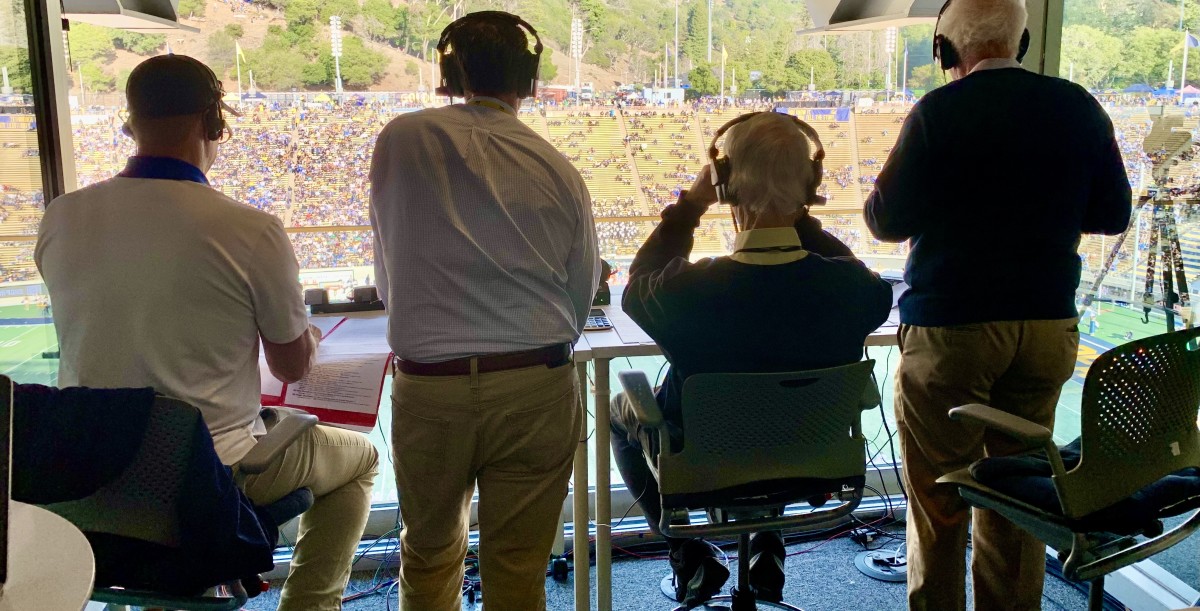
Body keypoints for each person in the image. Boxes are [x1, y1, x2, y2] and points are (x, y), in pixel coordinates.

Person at [36, 55, 379, 611]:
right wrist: (307, 339)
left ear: (132, 119)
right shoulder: (250, 229)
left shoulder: (61, 216)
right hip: (207, 474)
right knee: (360, 459)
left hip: (89, 472)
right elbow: (291, 367)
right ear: (211, 121)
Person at [862, 0, 1133, 608]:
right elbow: (1113, 214)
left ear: (945, 53)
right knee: (1018, 493)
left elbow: (886, 221)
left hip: (951, 330)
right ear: (1026, 41)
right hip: (1045, 326)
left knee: (939, 496)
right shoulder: (1079, 106)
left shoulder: (938, 111)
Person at [368, 12, 600, 611]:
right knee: (518, 567)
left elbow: (389, 275)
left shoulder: (401, 137)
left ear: (448, 71)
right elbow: (578, 298)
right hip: (535, 384)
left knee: (427, 551)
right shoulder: (560, 169)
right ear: (529, 80)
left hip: (431, 388)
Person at [614, 112, 893, 606]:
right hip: (813, 465)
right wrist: (796, 212)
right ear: (810, 186)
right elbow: (852, 267)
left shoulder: (684, 291)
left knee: (622, 415)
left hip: (704, 469)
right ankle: (768, 543)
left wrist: (690, 206)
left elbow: (638, 282)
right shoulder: (854, 290)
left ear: (723, 188)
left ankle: (689, 555)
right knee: (781, 408)